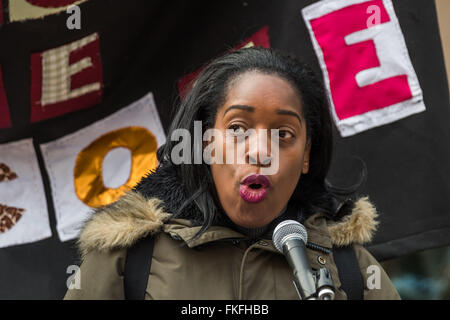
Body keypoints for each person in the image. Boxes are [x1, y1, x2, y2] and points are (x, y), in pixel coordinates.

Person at [64, 47, 400, 300]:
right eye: (238, 128)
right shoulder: (129, 258)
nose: (260, 152)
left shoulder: (351, 268)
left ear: (307, 156)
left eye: (283, 134)